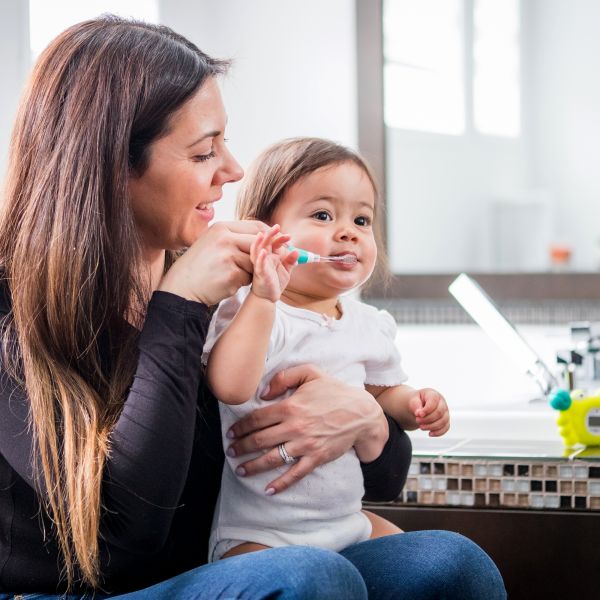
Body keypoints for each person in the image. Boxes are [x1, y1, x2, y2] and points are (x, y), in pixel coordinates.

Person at [0, 15, 506, 599]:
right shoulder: (20, 307)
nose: (234, 170)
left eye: (225, 142)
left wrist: (365, 417)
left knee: (451, 564)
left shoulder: (229, 286)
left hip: (211, 574)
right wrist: (179, 304)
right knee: (311, 577)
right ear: (114, 165)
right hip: (79, 590)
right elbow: (124, 535)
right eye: (203, 152)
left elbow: (385, 476)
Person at [203, 137, 451, 562]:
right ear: (264, 232)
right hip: (261, 532)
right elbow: (229, 385)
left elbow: (382, 394)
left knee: (447, 563)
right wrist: (263, 295)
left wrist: (417, 403)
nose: (348, 232)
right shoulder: (255, 311)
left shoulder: (367, 324)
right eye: (322, 215)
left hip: (347, 523)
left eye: (362, 219)